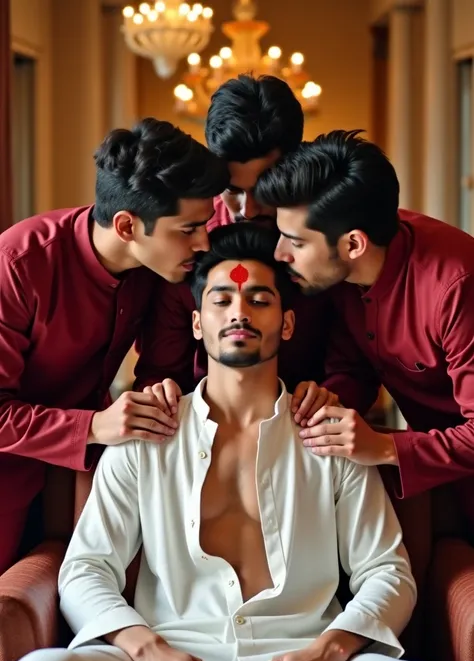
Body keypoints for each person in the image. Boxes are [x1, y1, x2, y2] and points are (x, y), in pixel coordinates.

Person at [2, 223, 466, 661]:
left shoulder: (329, 435)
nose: (239, 312)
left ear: (287, 324)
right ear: (198, 323)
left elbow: (387, 572)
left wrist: (330, 652)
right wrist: (146, 649)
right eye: (221, 300)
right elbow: (87, 568)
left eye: (260, 300)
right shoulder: (147, 434)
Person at [0, 117, 229, 575]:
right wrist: (93, 426)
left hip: (92, 467)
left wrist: (155, 396)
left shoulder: (164, 269)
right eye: (188, 229)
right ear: (127, 225)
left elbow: (164, 368)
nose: (204, 242)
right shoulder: (20, 264)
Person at [255, 128, 474, 538]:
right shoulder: (337, 274)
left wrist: (385, 447)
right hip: (442, 480)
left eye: (295, 242)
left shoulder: (455, 285)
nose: (279, 254)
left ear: (354, 244)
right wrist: (330, 398)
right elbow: (354, 368)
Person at [136, 75, 334, 412]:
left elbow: (353, 360)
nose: (247, 210)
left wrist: (333, 397)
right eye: (232, 190)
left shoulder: (325, 232)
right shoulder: (189, 241)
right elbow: (160, 369)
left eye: (263, 189)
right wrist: (161, 398)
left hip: (313, 428)